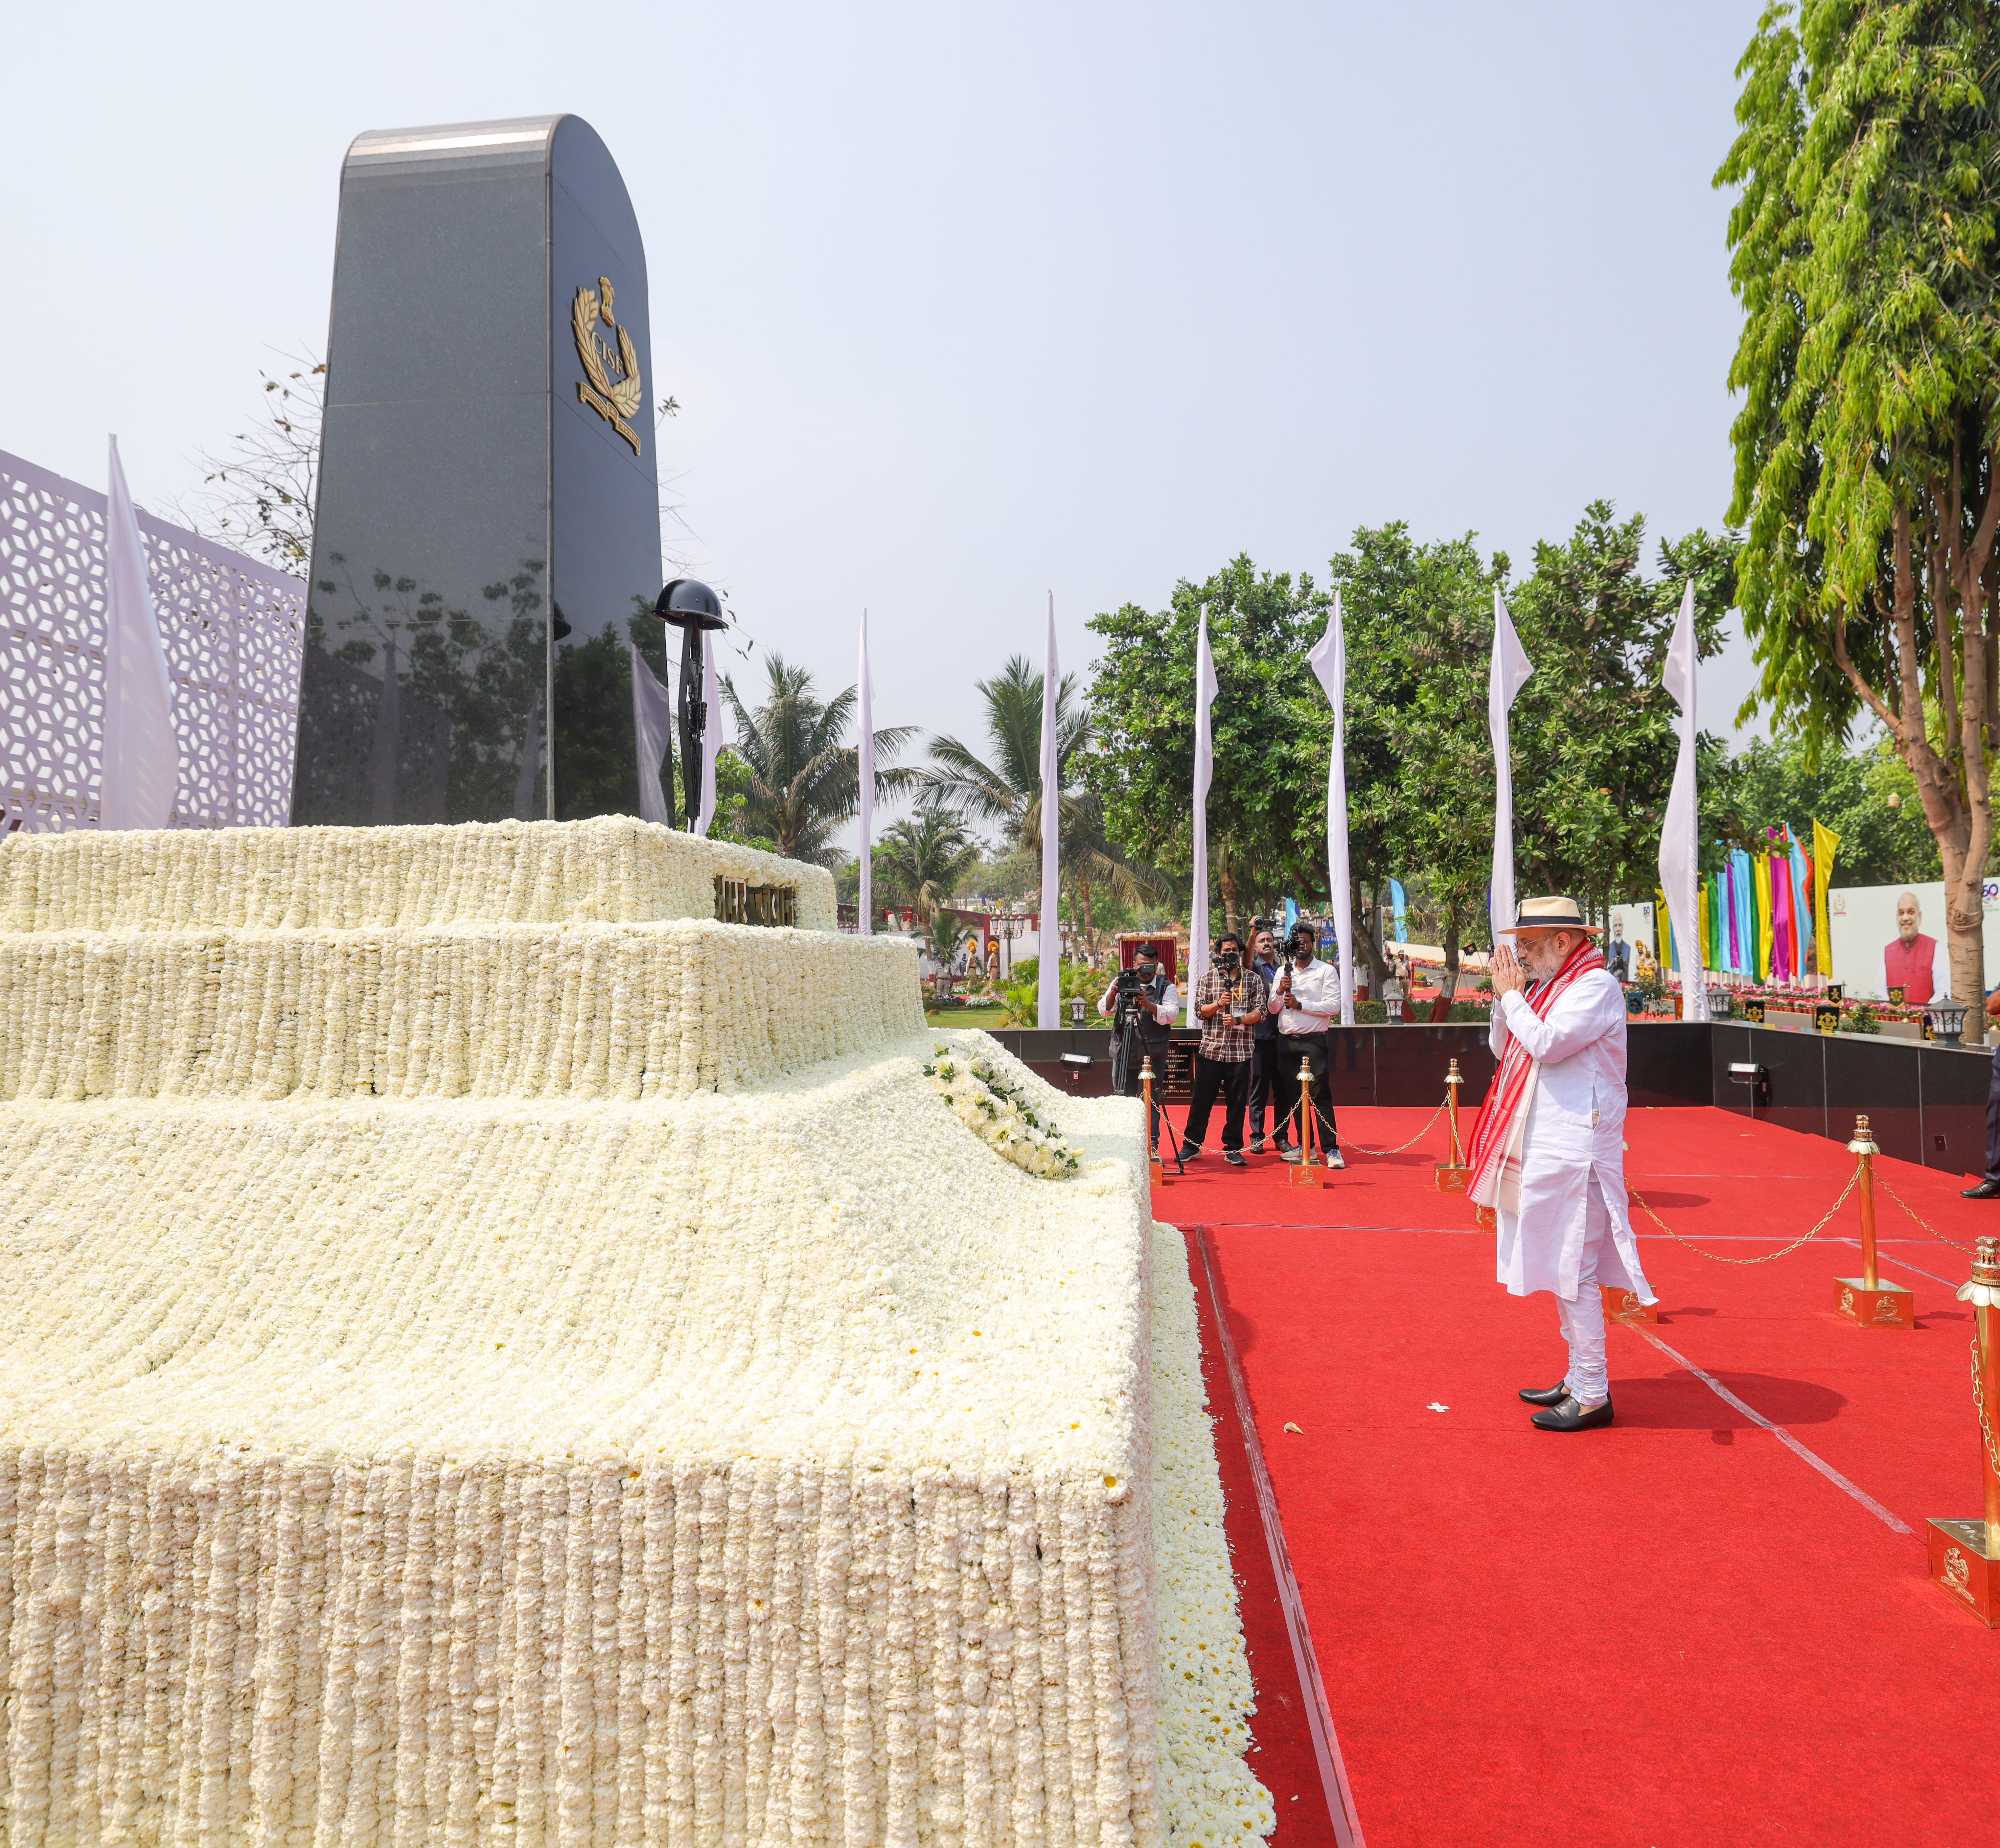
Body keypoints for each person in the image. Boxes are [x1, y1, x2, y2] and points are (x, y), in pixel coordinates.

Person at [1467, 895, 1656, 1432]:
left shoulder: (1595, 987)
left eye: (1528, 945)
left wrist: (1513, 999)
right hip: (1547, 1145)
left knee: (1575, 1272)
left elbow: (1546, 1045)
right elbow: (1505, 1050)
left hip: (1579, 1149)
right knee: (1560, 1266)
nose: (1519, 955)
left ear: (1562, 942)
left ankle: (1593, 1392)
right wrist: (1507, 1000)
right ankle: (1577, 1378)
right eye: (1518, 945)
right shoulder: (1548, 988)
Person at [1179, 931, 1268, 1165]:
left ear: (1240, 954)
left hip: (1240, 1052)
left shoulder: (1252, 979)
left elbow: (1262, 1011)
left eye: (1234, 951)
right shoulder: (1208, 979)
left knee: (1237, 1103)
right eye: (1226, 951)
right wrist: (1218, 1004)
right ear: (1218, 955)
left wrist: (1240, 1020)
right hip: (1211, 1050)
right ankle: (1192, 1146)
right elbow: (1199, 1011)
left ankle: (1233, 1149)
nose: (1230, 955)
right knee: (1201, 1101)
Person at [1269, 920, 1345, 1169]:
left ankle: (1331, 1149)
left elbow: (1334, 1007)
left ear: (1312, 944)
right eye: (1296, 941)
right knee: (1295, 1098)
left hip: (1313, 1042)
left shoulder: (1325, 971)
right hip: (1286, 1043)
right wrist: (1281, 990)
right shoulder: (1282, 971)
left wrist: (1301, 1005)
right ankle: (1306, 1146)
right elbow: (1272, 1008)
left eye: (1305, 941)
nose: (1300, 946)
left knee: (1319, 1095)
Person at [1099, 942, 1179, 1147]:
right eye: (1141, 965)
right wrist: (1113, 993)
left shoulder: (1166, 986)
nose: (1145, 971)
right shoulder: (1123, 981)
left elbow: (1172, 1015)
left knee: (1151, 1099)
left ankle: (1152, 1142)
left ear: (1157, 964)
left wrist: (1149, 1004)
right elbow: (1104, 1010)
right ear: (1134, 963)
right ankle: (1123, 1142)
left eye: (1150, 967)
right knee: (1123, 1098)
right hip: (1123, 1050)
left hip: (1153, 1052)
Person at [1245, 927, 1292, 1154]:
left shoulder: (1284, 969)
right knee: (1259, 1090)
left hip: (1285, 1037)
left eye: (1269, 940)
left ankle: (1281, 1137)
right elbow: (1244, 960)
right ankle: (1257, 1137)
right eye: (1261, 940)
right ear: (1255, 946)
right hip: (1260, 1039)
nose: (1266, 943)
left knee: (1283, 1091)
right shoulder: (1253, 968)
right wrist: (1252, 932)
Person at [1881, 891, 1948, 1002]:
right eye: (1901, 913)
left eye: (1911, 912)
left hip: (1927, 1018)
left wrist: (1921, 1014)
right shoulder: (1888, 951)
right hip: (1894, 1018)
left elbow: (1943, 992)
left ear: (1920, 916)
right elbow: (1880, 992)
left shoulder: (1934, 947)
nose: (1906, 918)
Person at [1605, 916, 1632, 983]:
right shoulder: (1609, 948)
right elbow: (1626, 964)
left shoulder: (1628, 948)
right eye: (1616, 926)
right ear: (1613, 928)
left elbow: (1611, 965)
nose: (1618, 929)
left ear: (1623, 926)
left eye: (1620, 925)